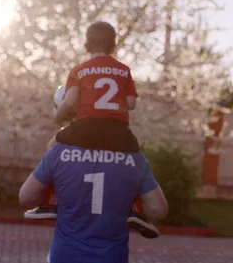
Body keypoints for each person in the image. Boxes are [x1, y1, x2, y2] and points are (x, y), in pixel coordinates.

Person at [24, 21, 158, 238]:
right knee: (132, 161)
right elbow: (131, 103)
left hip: (87, 126)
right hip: (117, 129)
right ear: (113, 46)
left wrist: (57, 118)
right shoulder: (124, 71)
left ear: (86, 45)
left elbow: (70, 101)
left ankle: (51, 202)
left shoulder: (80, 70)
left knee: (53, 147)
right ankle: (135, 209)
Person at [19, 142, 169, 263]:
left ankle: (53, 199)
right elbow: (158, 209)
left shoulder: (59, 151)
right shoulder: (135, 158)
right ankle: (133, 205)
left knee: (57, 179)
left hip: (66, 255)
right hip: (111, 257)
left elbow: (26, 197)